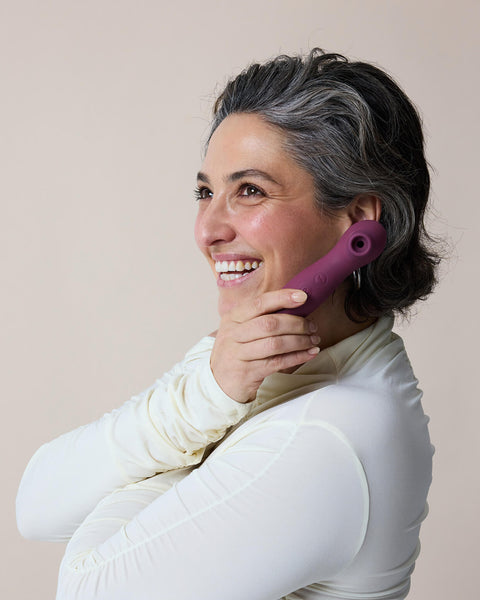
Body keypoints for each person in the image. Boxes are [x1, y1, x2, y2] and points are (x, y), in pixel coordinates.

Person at [16, 49, 440, 600]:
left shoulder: (327, 437)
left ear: (357, 221)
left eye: (250, 191)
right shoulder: (263, 379)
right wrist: (204, 398)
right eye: (205, 192)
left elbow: (85, 591)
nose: (207, 230)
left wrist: (200, 410)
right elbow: (36, 510)